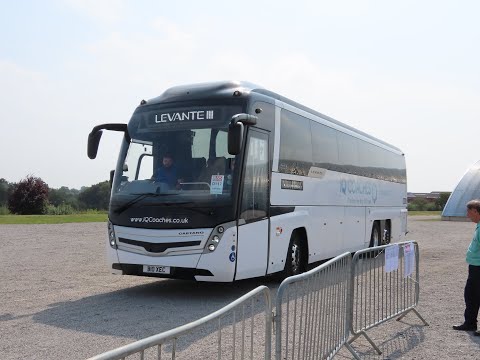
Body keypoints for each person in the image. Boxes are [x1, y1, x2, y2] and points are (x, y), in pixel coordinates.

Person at [453, 199, 480, 334]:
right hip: (475, 266)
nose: (467, 215)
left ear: (475, 211)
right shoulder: (479, 226)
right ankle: (470, 323)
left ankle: (470, 323)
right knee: (472, 295)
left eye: (469, 212)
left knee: (472, 295)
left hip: (478, 268)